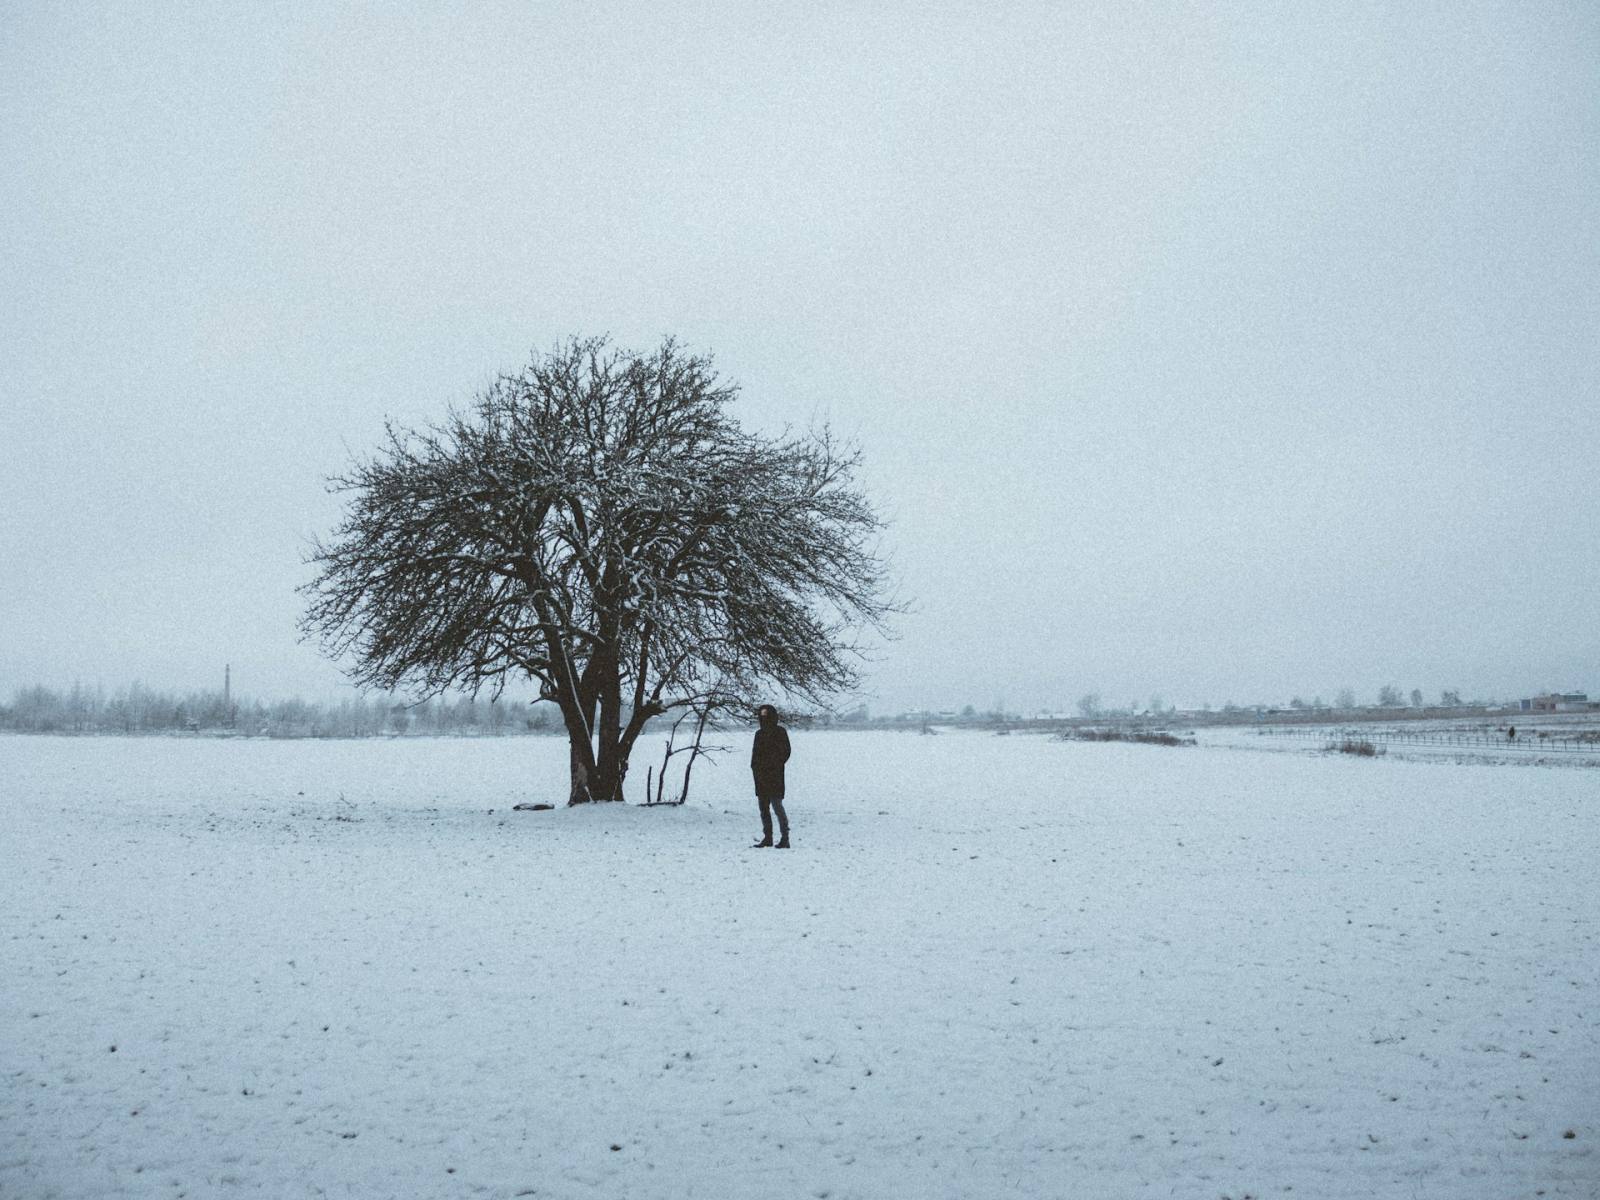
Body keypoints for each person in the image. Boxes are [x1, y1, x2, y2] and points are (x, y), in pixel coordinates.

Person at [750, 704, 792, 848]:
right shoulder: (759, 734)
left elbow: (786, 751)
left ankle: (785, 838)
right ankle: (768, 837)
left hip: (775, 776)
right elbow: (755, 755)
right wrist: (755, 769)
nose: (764, 719)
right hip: (760, 776)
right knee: (763, 808)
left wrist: (775, 764)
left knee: (777, 806)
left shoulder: (780, 732)